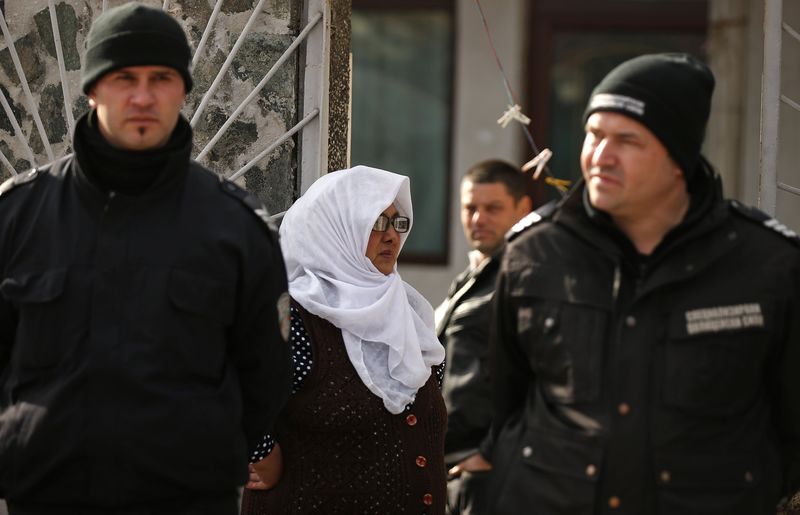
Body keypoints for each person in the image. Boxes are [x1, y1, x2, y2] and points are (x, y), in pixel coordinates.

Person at [0, 4, 291, 514]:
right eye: (123, 78)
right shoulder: (18, 217)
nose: (142, 96)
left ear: (183, 90)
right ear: (92, 89)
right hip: (46, 495)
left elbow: (263, 378)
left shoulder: (233, 229)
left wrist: (199, 458)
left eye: (161, 78)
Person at [486, 53, 800, 514]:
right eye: (594, 135)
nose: (600, 156)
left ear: (679, 157)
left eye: (627, 140)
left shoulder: (768, 265)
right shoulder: (533, 254)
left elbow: (790, 431)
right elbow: (506, 405)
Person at [240, 165, 448, 515]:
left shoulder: (411, 315)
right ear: (332, 228)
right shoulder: (295, 316)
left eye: (398, 223)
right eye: (376, 221)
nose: (391, 236)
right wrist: (264, 459)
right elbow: (234, 392)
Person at [434, 160, 531, 515]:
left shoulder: (524, 277)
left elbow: (544, 375)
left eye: (493, 208)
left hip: (489, 470)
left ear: (523, 209)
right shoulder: (474, 276)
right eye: (470, 208)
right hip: (454, 468)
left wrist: (492, 452)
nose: (478, 219)